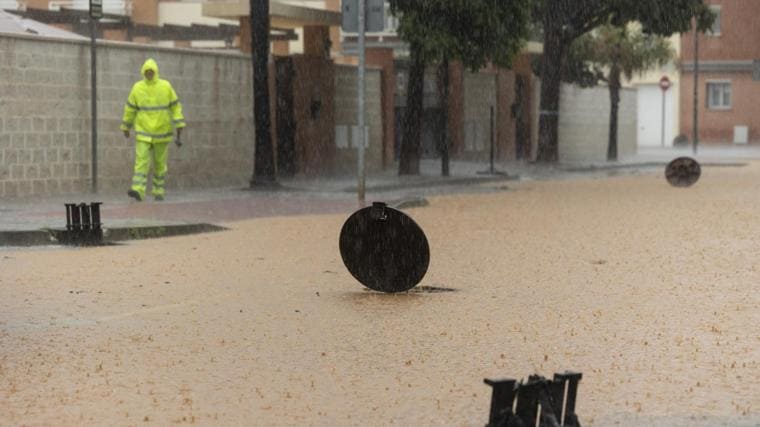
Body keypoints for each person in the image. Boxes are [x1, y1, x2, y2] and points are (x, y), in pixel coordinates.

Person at [120, 58, 185, 201]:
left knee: (159, 163)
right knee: (141, 162)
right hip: (144, 132)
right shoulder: (137, 88)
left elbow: (175, 106)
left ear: (155, 72)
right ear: (143, 72)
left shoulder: (165, 86)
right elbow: (130, 109)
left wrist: (179, 124)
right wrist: (126, 126)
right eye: (147, 72)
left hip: (161, 132)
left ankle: (158, 191)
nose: (149, 74)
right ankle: (138, 190)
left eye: (151, 72)